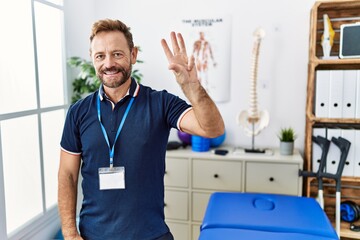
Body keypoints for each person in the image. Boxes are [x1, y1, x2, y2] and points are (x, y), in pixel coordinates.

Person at [58, 19, 224, 240]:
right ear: (92, 58)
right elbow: (67, 175)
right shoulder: (78, 112)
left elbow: (212, 129)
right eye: (100, 56)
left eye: (117, 54)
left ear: (133, 55)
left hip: (150, 235)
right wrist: (70, 233)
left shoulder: (161, 103)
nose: (109, 63)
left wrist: (191, 86)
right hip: (93, 235)